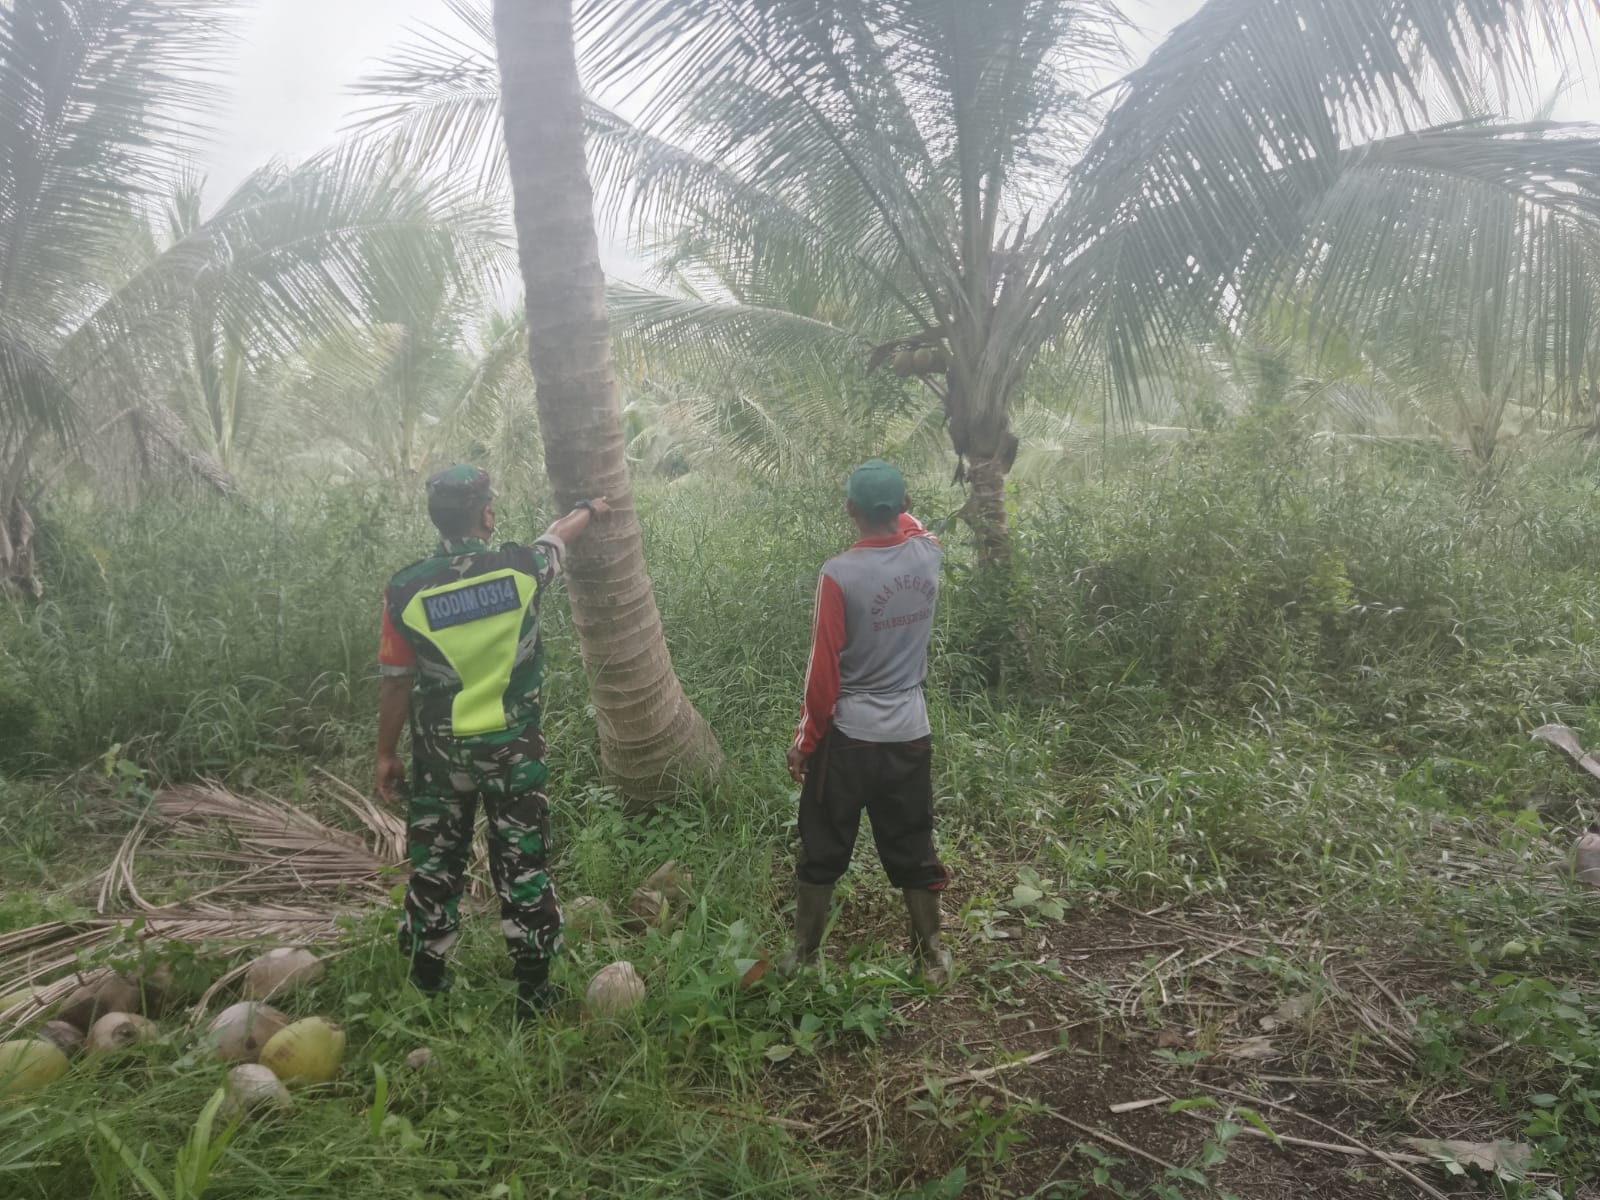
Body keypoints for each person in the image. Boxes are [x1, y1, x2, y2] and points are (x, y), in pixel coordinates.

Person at [375, 465, 609, 1020]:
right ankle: (533, 988)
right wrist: (592, 511)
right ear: (485, 513)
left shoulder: (407, 588)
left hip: (441, 756)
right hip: (513, 753)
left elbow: (396, 682)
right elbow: (558, 535)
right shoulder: (519, 568)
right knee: (522, 862)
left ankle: (428, 982)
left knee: (436, 864)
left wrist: (386, 753)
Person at [780, 459, 952, 984]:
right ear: (901, 507)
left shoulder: (840, 573)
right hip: (909, 731)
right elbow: (917, 524)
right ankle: (931, 959)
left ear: (849, 510)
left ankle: (806, 956)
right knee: (912, 840)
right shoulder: (928, 554)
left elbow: (824, 670)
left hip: (850, 737)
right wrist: (899, 507)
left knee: (824, 840)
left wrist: (805, 742)